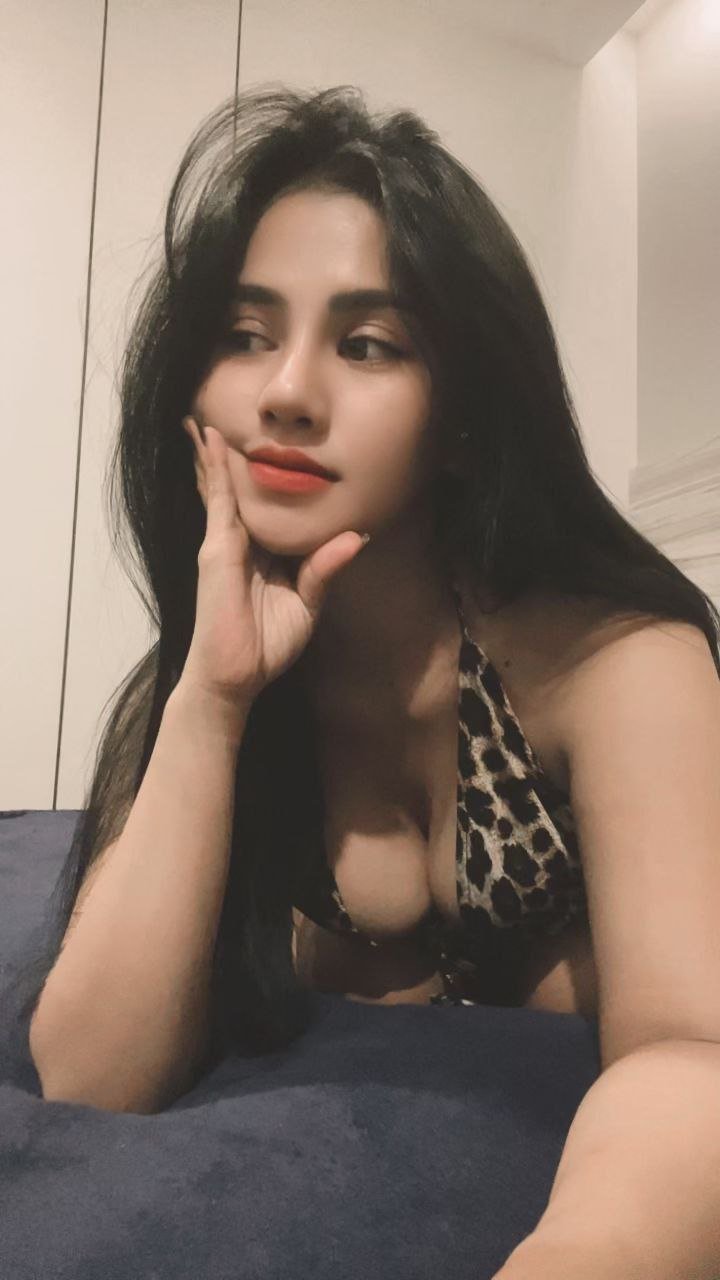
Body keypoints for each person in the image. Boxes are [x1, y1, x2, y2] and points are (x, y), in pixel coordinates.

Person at [10, 87, 720, 1272]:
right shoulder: (198, 690)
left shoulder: (613, 665)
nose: (286, 389)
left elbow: (693, 1054)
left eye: (368, 343)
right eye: (245, 333)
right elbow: (90, 1073)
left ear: (462, 417)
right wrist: (212, 702)